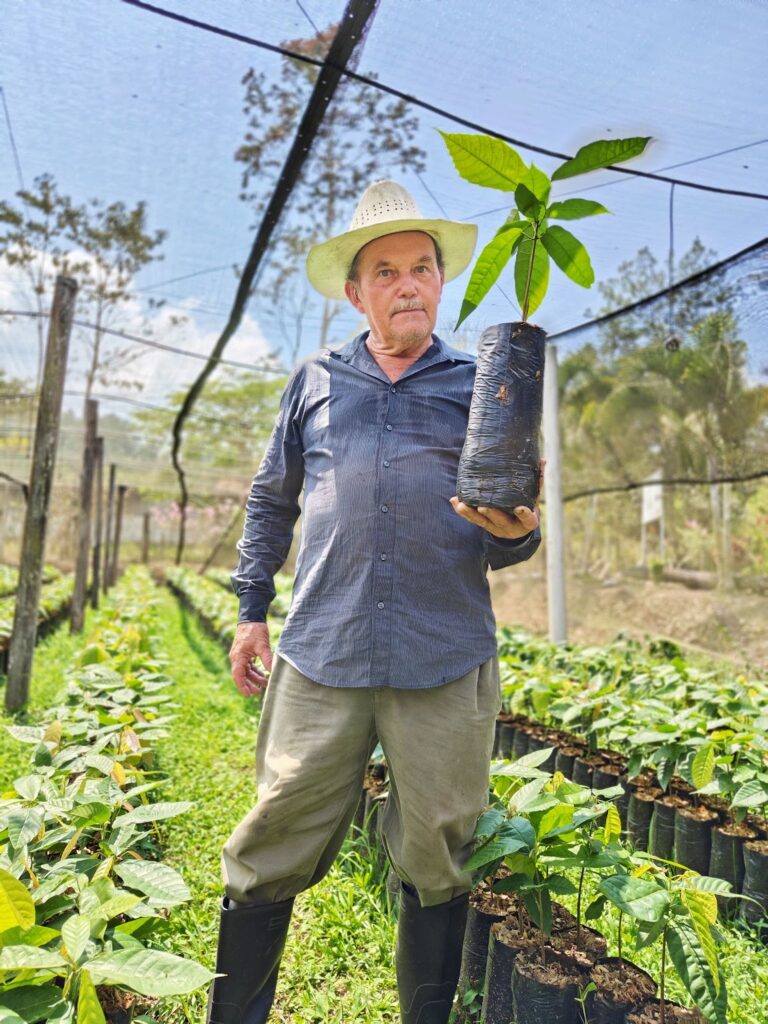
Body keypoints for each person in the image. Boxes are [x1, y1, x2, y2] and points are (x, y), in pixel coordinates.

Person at [206, 180, 541, 1024]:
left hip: (442, 651)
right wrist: (252, 608)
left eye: (421, 267)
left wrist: (516, 529)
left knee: (440, 850)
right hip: (324, 644)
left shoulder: (482, 386)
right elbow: (269, 498)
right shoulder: (316, 379)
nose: (406, 283)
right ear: (356, 292)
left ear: (439, 282)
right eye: (385, 270)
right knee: (275, 828)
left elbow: (514, 535)